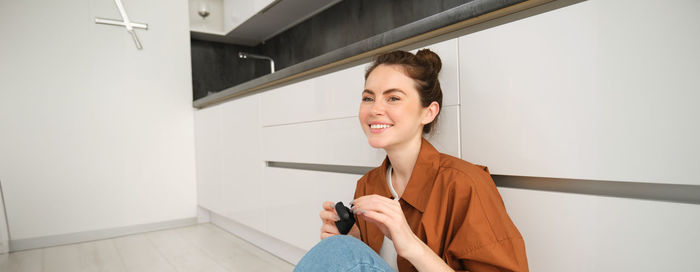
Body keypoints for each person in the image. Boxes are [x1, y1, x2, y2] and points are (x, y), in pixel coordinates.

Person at [295, 49, 528, 272]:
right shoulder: (368, 185)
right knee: (338, 250)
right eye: (368, 98)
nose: (375, 109)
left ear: (429, 112)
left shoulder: (465, 185)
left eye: (393, 98)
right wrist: (355, 241)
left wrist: (410, 244)